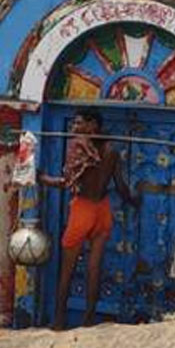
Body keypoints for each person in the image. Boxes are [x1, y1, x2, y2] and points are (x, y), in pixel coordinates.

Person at [39, 110, 140, 330]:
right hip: (103, 210)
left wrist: (43, 178)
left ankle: (58, 320)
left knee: (68, 268)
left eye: (78, 123)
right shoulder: (112, 150)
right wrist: (134, 201)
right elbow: (121, 186)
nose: (74, 127)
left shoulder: (79, 147)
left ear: (92, 125)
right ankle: (88, 320)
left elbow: (67, 181)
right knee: (94, 267)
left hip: (83, 209)